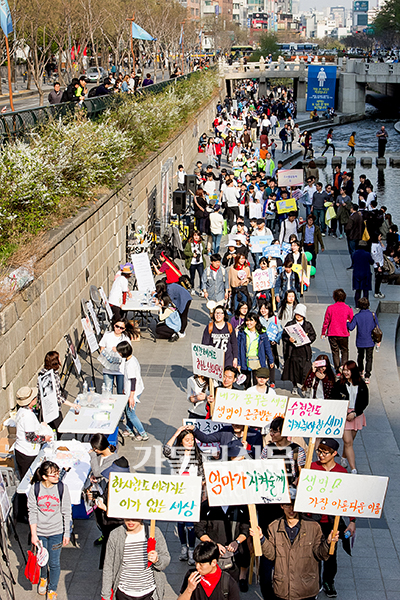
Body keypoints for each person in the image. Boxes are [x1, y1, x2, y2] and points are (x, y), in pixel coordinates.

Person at [251, 488, 338, 600]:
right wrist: (261, 538)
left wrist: (328, 543)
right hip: (283, 589)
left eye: (294, 504)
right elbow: (272, 554)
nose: (291, 509)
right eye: (287, 505)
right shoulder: (273, 526)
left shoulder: (313, 526)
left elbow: (320, 554)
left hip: (306, 589)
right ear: (281, 506)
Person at [310, 439, 356, 599]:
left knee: (330, 554)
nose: (321, 455)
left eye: (325, 452)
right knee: (313, 553)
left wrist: (352, 521)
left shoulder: (341, 472)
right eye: (319, 451)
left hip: (332, 522)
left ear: (334, 454)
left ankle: (328, 581)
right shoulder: (312, 468)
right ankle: (313, 584)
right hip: (312, 521)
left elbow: (349, 498)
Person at [28, 461, 71, 600]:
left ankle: (52, 588)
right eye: (54, 474)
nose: (57, 476)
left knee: (54, 562)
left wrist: (66, 533)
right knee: (42, 561)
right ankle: (43, 577)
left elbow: (66, 512)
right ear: (45, 476)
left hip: (56, 532)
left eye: (58, 473)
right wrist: (33, 534)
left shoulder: (62, 488)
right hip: (40, 532)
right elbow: (32, 512)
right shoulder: (35, 489)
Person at [163, 426, 205, 566]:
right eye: (187, 440)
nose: (190, 442)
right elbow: (166, 450)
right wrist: (177, 432)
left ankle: (191, 550)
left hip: (193, 494)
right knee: (180, 523)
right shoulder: (177, 454)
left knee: (190, 524)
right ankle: (183, 547)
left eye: (192, 440)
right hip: (178, 493)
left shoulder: (199, 456)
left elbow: (204, 476)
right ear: (181, 442)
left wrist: (201, 489)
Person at [101, 518, 170, 600]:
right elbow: (108, 567)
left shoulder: (154, 532)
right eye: (127, 518)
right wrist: (105, 595)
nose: (130, 522)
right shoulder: (115, 535)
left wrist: (157, 560)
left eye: (134, 519)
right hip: (124, 593)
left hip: (149, 593)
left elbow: (165, 559)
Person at [88, 433, 129, 566]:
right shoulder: (104, 458)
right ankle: (104, 533)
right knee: (100, 518)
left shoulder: (114, 461)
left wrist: (92, 456)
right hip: (102, 494)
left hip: (111, 512)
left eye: (94, 449)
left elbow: (98, 471)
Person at [332, 361, 368, 473]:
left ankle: (343, 457)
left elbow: (365, 401)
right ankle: (353, 468)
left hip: (356, 415)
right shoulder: (339, 385)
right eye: (345, 370)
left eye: (348, 370)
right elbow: (334, 400)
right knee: (347, 441)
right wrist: (344, 414)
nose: (346, 372)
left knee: (350, 441)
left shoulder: (361, 385)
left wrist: (355, 413)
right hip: (344, 415)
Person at [14, 387, 53, 479]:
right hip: (27, 452)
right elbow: (30, 437)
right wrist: (45, 439)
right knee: (28, 479)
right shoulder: (27, 416)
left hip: (22, 450)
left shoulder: (22, 411)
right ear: (31, 401)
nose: (36, 398)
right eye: (35, 398)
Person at [36, 351, 78, 435]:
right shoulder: (54, 376)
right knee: (59, 430)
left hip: (43, 408)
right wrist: (73, 405)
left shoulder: (42, 373)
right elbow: (58, 397)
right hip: (53, 409)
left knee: (47, 430)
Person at [116, 341, 148, 441]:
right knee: (127, 411)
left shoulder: (130, 364)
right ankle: (129, 429)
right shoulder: (131, 359)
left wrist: (131, 396)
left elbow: (133, 380)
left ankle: (142, 433)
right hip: (130, 390)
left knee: (130, 413)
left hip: (133, 392)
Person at [282, 304, 316, 395]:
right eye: (297, 314)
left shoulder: (308, 325)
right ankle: (295, 386)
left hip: (304, 352)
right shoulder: (290, 324)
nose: (299, 316)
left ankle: (305, 386)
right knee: (294, 371)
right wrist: (289, 339)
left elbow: (313, 335)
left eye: (301, 315)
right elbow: (284, 335)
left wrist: (307, 339)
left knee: (305, 371)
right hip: (293, 351)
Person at [347, 297, 380, 384]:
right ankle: (367, 375)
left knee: (360, 356)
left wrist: (347, 321)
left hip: (360, 341)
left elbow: (351, 327)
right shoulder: (373, 315)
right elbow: (377, 328)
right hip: (370, 341)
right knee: (369, 358)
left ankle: (360, 371)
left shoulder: (357, 316)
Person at [237, 312, 274, 389]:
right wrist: (238, 363)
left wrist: (271, 360)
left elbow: (267, 347)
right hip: (245, 360)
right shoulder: (242, 332)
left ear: (256, 322)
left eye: (251, 321)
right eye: (247, 321)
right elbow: (238, 348)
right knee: (246, 382)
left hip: (258, 360)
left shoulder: (262, 333)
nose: (248, 323)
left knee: (256, 381)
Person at [321, 289, 354, 375]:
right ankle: (344, 367)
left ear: (335, 297)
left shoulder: (330, 308)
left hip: (332, 333)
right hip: (343, 333)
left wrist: (323, 332)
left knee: (335, 351)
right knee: (344, 350)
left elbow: (326, 321)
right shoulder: (348, 308)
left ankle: (337, 370)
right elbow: (351, 319)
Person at [99, 317, 135, 394]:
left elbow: (128, 352)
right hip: (108, 368)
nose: (118, 329)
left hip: (120, 369)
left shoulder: (125, 338)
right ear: (114, 325)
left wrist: (118, 350)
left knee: (121, 392)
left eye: (121, 328)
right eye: (117, 326)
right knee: (108, 391)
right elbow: (102, 349)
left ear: (124, 329)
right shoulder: (107, 335)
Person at [184, 231, 207, 296]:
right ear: (192, 236)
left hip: (200, 262)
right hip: (192, 263)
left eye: (198, 235)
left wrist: (207, 250)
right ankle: (192, 288)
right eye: (195, 235)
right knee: (192, 277)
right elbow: (185, 252)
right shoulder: (189, 244)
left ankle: (201, 290)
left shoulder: (201, 243)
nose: (196, 237)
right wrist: (192, 254)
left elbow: (203, 251)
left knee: (201, 276)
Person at [351, 241, 374, 306]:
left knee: (358, 290)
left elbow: (353, 262)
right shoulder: (367, 254)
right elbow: (371, 262)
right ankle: (365, 305)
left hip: (356, 274)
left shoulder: (355, 253)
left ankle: (357, 305)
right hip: (365, 274)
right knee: (365, 291)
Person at [371, 233, 386, 298]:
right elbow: (374, 255)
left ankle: (378, 291)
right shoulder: (374, 245)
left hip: (381, 263)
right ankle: (376, 292)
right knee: (378, 279)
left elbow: (384, 249)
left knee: (380, 279)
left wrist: (381, 242)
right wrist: (378, 265)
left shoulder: (378, 244)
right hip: (377, 265)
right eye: (380, 236)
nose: (381, 237)